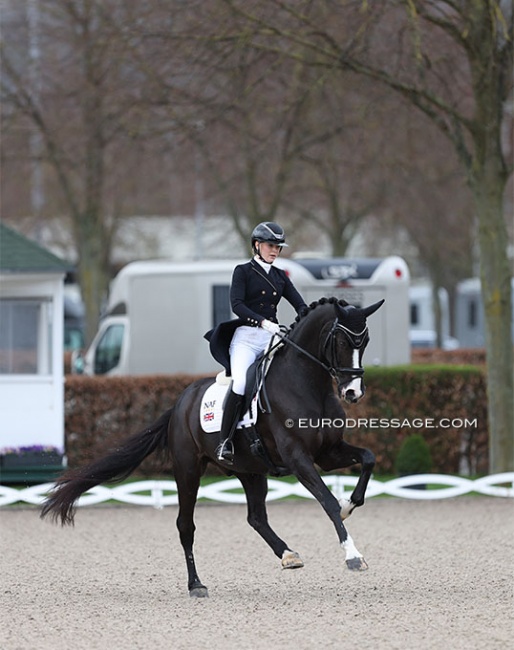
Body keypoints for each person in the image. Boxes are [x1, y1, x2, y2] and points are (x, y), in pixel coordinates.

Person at [205, 221, 308, 464]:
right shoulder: (243, 271)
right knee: (240, 382)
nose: (275, 251)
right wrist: (263, 322)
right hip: (247, 340)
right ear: (257, 245)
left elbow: (300, 304)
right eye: (271, 246)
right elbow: (237, 305)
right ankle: (225, 441)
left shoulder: (280, 276)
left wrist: (308, 317)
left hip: (271, 339)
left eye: (278, 247)